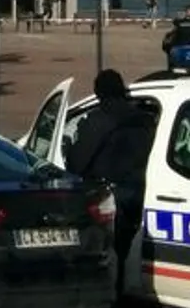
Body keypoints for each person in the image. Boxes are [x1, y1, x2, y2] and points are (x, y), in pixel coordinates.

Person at [64, 69, 158, 290]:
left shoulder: (99, 120)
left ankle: (114, 298)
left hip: (113, 197)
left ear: (99, 94)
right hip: (144, 190)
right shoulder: (145, 119)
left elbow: (77, 163)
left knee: (109, 255)